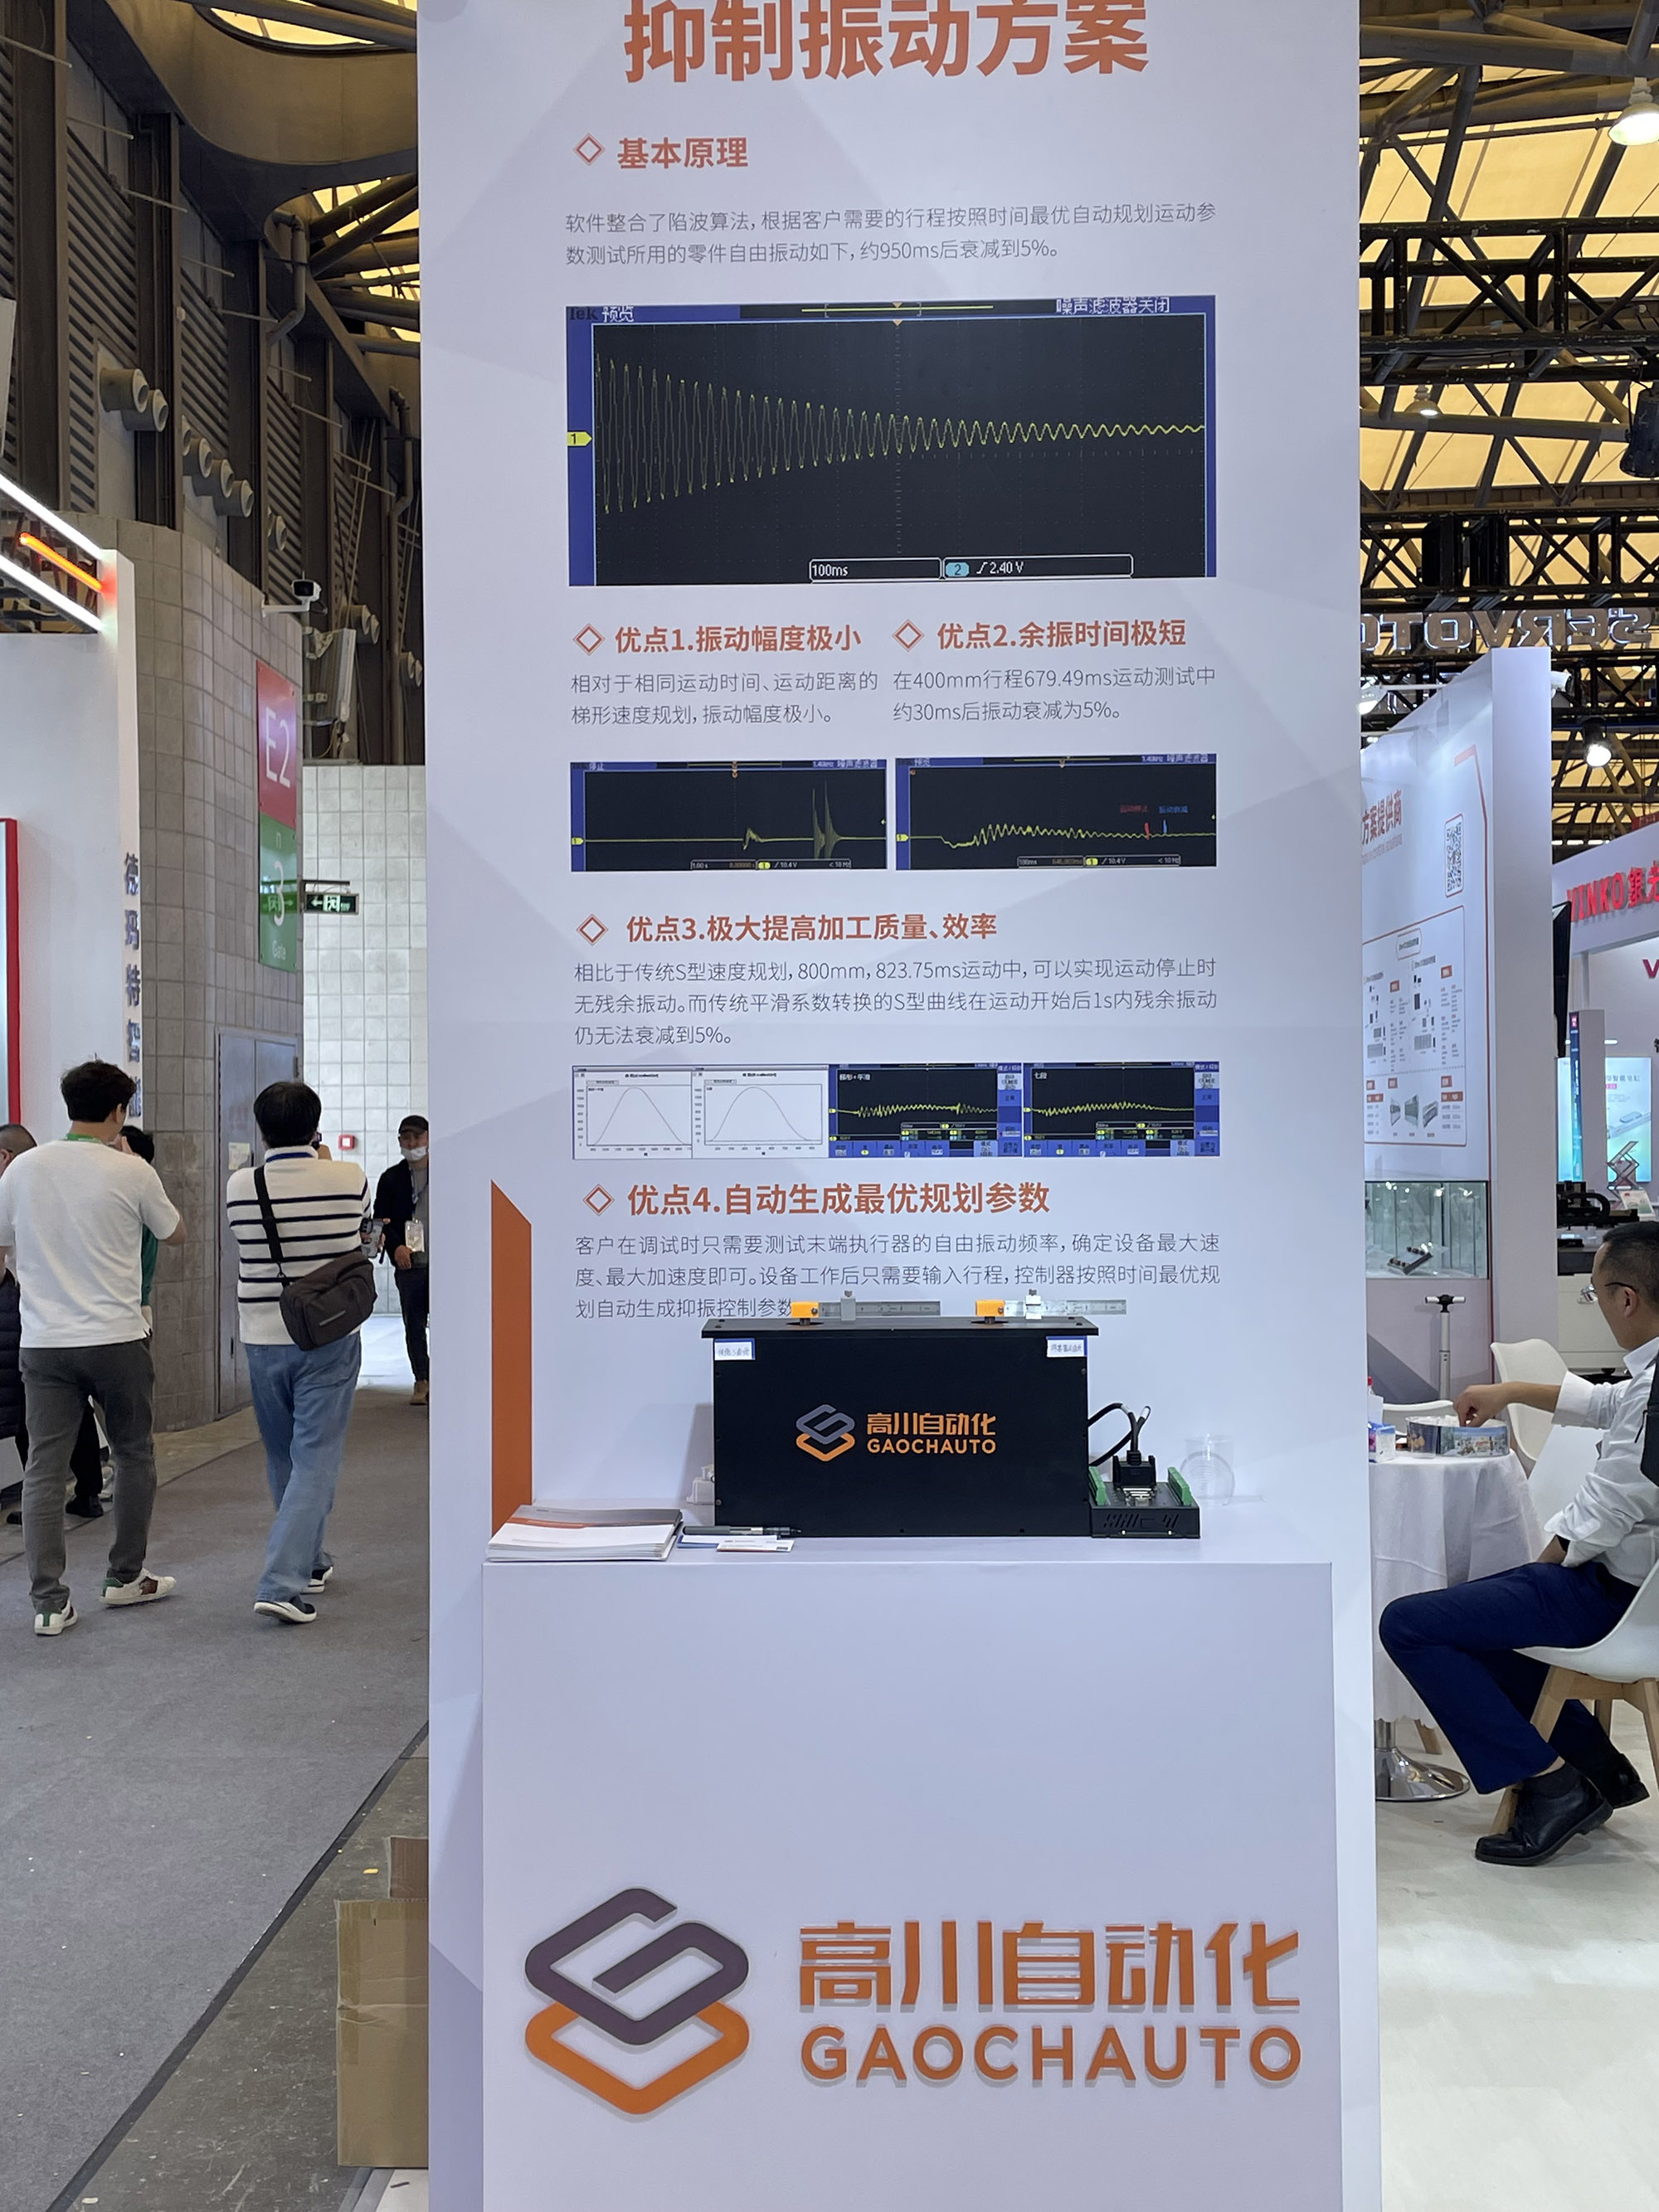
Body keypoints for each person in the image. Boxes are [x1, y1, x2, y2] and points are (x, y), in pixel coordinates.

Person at [1379, 1218, 1659, 1867]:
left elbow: (1603, 1513)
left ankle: (1553, 1784)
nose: (1596, 1305)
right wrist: (1509, 1391)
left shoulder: (1654, 1396)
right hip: (1626, 1588)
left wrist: (1538, 1567)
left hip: (1613, 1596)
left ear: (1626, 1298)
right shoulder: (1647, 1384)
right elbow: (1605, 1403)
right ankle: (1595, 1768)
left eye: (1594, 1293)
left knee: (1409, 1625)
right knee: (1475, 1619)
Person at [0, 1062, 185, 1636]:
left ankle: (49, 1603)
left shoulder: (23, 1168)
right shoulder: (130, 1170)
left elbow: (3, 1245)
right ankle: (124, 1576)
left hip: (44, 1343)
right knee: (132, 1453)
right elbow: (175, 1232)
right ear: (118, 1112)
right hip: (116, 1337)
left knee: (43, 1469)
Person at [226, 1080, 372, 1626]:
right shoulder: (348, 1176)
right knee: (316, 1458)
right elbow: (362, 1237)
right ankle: (282, 1581)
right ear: (316, 1127)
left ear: (262, 1130)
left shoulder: (241, 1185)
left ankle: (310, 1561)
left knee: (283, 1454)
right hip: (329, 1333)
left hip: (262, 1334)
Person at [374, 1114, 430, 1407]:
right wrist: (395, 1247)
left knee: (450, 1323)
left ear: (428, 1138)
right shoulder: (391, 1179)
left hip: (445, 1265)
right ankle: (422, 1379)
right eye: (407, 1138)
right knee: (414, 1324)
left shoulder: (448, 1172)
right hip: (410, 1264)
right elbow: (381, 1220)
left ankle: (447, 1377)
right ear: (399, 1142)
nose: (412, 1143)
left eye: (418, 1137)